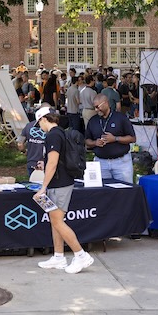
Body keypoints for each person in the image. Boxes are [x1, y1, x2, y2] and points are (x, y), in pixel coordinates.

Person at [32, 107, 95, 274]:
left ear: (43, 119)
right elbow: (54, 161)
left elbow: (52, 163)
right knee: (55, 222)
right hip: (61, 182)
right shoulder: (60, 132)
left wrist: (43, 187)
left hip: (59, 184)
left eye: (39, 123)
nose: (40, 127)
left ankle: (81, 255)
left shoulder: (53, 135)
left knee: (58, 221)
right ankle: (58, 257)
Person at [84, 94, 136, 183]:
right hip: (101, 162)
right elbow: (87, 140)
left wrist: (115, 139)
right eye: (94, 107)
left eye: (97, 107)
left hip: (121, 162)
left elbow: (132, 138)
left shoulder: (120, 118)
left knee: (125, 192)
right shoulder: (93, 120)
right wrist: (95, 143)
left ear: (106, 103)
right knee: (105, 193)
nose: (96, 110)